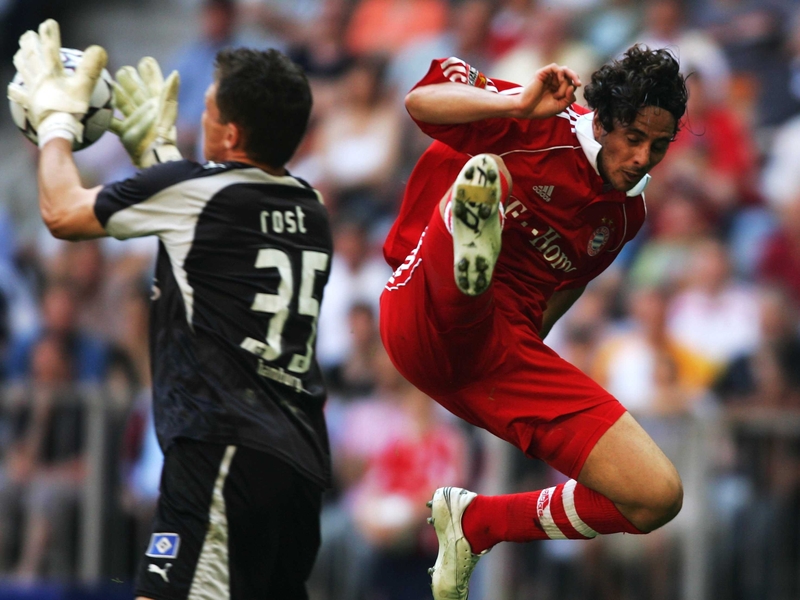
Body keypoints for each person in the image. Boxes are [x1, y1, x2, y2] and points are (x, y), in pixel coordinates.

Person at [9, 20, 333, 599]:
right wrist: (159, 156)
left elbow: (61, 212)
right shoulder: (312, 207)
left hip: (221, 450)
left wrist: (54, 123)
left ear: (230, 134)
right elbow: (208, 241)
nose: (196, 117)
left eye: (206, 108)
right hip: (297, 461)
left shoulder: (195, 192)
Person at [380, 46, 688, 598]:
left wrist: (515, 386)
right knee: (488, 174)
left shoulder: (626, 215)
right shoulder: (539, 117)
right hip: (421, 304)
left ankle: (478, 523)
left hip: (495, 353)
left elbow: (560, 297)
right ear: (603, 122)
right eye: (634, 138)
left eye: (658, 146)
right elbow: (420, 102)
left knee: (657, 495)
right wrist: (514, 104)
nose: (643, 158)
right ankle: (468, 253)